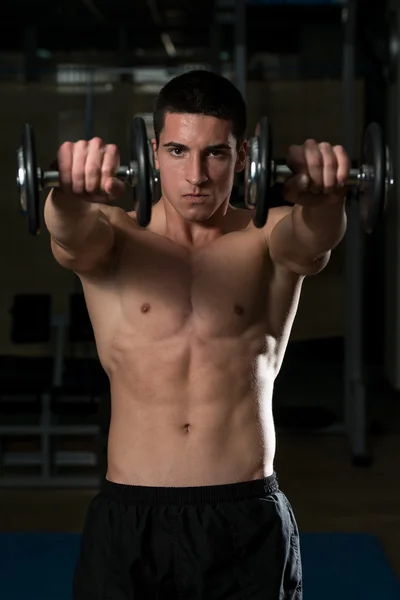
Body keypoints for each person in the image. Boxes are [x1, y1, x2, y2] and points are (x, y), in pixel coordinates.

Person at [44, 69, 349, 599]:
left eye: (216, 154)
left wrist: (324, 197)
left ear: (246, 155)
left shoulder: (268, 236)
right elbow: (70, 235)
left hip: (245, 515)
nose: (197, 175)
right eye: (179, 152)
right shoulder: (116, 237)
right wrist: (69, 194)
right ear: (153, 150)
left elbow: (313, 238)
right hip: (131, 518)